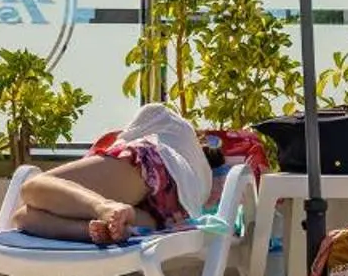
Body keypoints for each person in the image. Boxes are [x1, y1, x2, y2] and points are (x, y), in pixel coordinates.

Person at [10, 103, 209, 245]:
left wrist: (101, 205)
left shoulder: (168, 124)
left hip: (155, 169)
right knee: (22, 217)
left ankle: (104, 208)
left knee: (31, 188)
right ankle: (92, 229)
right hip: (170, 215)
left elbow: (137, 130)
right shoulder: (197, 175)